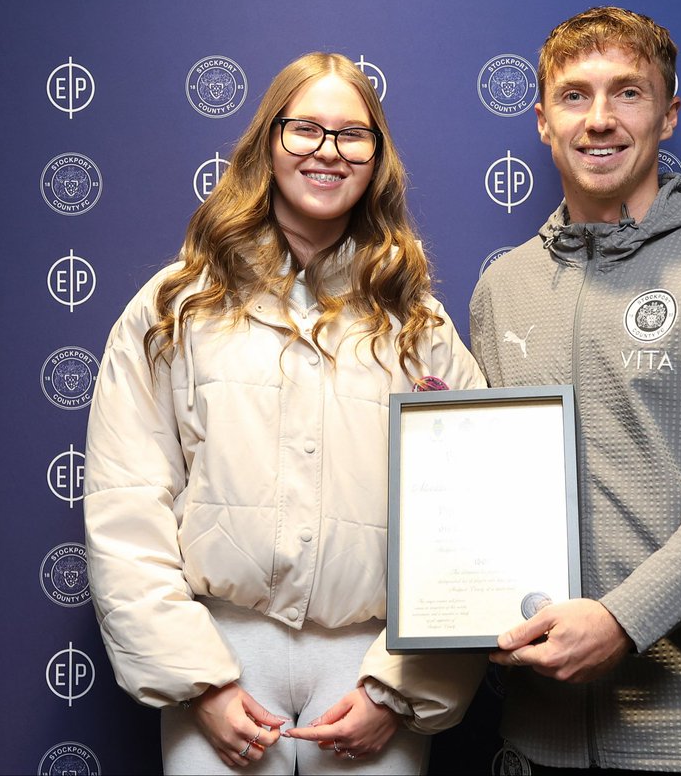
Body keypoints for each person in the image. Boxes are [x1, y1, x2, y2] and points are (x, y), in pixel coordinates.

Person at [84, 52, 485, 776]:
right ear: (268, 141)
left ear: (376, 159)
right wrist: (197, 680)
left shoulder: (420, 325)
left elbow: (466, 526)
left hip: (373, 661)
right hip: (222, 654)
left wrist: (399, 688)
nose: (327, 151)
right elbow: (127, 506)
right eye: (305, 129)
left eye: (352, 135)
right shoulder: (175, 308)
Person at [469, 7, 681, 774]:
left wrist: (624, 620)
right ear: (543, 121)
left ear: (668, 114)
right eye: (574, 95)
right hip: (547, 736)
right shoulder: (503, 288)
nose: (599, 119)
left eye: (627, 92)